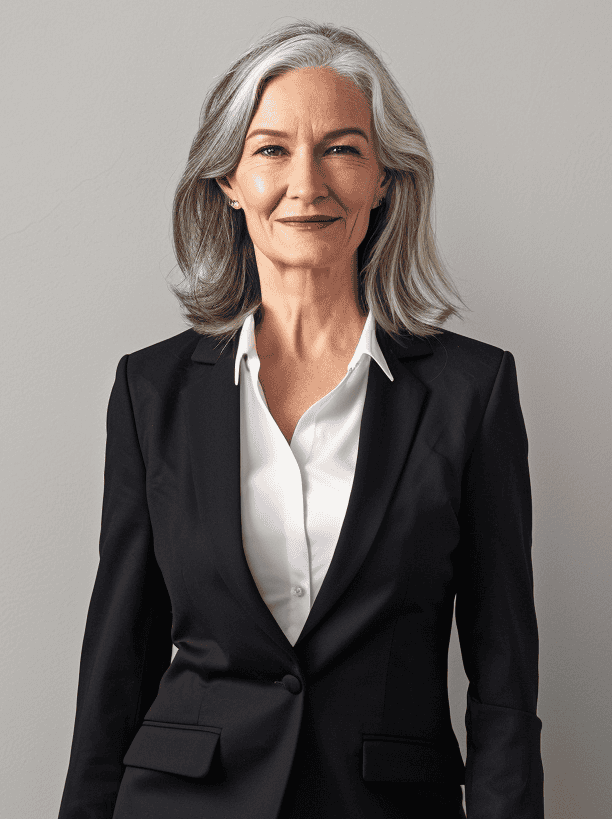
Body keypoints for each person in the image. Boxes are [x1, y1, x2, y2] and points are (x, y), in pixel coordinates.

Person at [57, 20, 544, 819]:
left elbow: (503, 680)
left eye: (343, 149)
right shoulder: (152, 390)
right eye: (272, 150)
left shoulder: (473, 390)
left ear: (384, 178)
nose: (307, 184)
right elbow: (117, 661)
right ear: (229, 180)